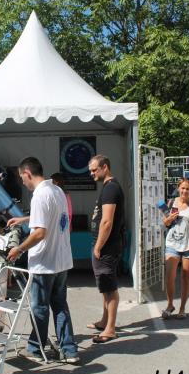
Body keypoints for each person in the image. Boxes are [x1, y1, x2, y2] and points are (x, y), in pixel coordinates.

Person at [7, 157, 78, 363]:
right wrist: (24, 219)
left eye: (22, 178)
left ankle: (36, 349)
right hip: (62, 261)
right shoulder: (57, 191)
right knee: (60, 306)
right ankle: (69, 350)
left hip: (44, 263)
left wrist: (18, 249)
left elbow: (40, 233)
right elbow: (52, 216)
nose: (22, 182)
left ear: (27, 173)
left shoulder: (39, 196)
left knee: (39, 307)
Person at [87, 155, 125, 343]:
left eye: (95, 170)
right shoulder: (109, 187)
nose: (92, 173)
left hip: (107, 247)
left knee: (109, 286)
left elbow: (107, 222)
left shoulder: (111, 188)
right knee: (104, 284)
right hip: (105, 245)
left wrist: (98, 246)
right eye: (91, 171)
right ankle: (104, 321)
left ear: (105, 167)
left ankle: (110, 329)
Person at [161, 178, 189, 319]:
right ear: (178, 188)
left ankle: (182, 308)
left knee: (186, 277)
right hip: (172, 243)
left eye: (187, 188)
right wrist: (169, 219)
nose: (185, 191)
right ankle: (170, 305)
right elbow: (165, 223)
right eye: (182, 188)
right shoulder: (170, 203)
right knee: (169, 276)